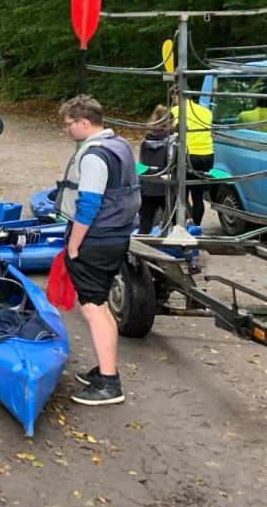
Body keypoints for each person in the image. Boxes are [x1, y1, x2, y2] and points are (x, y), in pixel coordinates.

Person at [55, 94, 141, 405]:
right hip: (115, 235)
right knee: (100, 304)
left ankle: (109, 383)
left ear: (84, 122)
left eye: (69, 125)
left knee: (94, 308)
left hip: (96, 240)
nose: (66, 130)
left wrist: (74, 245)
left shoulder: (94, 156)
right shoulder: (119, 145)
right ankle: (104, 370)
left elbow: (88, 205)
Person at [169, 87, 214, 225]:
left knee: (181, 194)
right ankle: (197, 228)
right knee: (197, 195)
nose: (173, 102)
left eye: (173, 99)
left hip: (188, 156)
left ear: (176, 96)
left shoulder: (175, 111)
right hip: (207, 155)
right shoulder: (207, 111)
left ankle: (181, 227)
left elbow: (171, 132)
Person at [137, 105, 172, 234]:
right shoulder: (172, 141)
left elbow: (142, 163)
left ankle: (140, 249)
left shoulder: (145, 141)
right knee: (175, 221)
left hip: (147, 187)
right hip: (165, 187)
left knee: (145, 223)